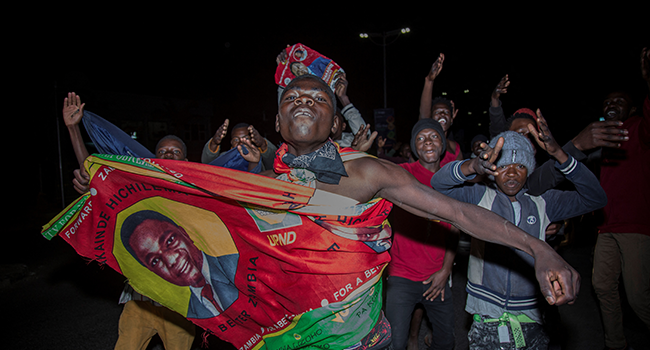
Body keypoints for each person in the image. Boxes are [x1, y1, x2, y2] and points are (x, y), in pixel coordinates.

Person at [262, 74, 582, 346]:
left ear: (335, 123)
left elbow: (460, 213)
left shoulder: (367, 173)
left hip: (350, 335)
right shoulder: (250, 187)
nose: (303, 101)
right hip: (282, 330)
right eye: (292, 96)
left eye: (318, 97)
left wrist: (538, 248)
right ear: (277, 120)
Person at [431, 113, 607, 349]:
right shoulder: (479, 197)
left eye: (520, 166)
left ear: (530, 169)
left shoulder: (544, 202)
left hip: (531, 312)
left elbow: (596, 198)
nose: (512, 173)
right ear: (492, 168)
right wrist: (473, 165)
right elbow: (438, 184)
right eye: (503, 166)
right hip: (486, 313)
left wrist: (560, 155)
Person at [62, 93, 198, 349]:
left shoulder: (194, 196)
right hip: (140, 300)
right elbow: (96, 178)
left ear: (186, 161)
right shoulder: (139, 189)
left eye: (175, 152)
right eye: (162, 152)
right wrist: (73, 130)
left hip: (178, 303)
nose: (168, 155)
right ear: (152, 158)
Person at [592, 47, 650, 350]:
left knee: (639, 297)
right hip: (607, 226)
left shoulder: (639, 129)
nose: (611, 104)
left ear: (633, 108)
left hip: (636, 226)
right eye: (607, 102)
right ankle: (615, 343)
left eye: (619, 101)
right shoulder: (605, 136)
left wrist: (648, 82)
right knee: (602, 285)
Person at [385, 119, 458, 350]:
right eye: (421, 138)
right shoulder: (403, 174)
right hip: (402, 277)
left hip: (436, 278)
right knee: (394, 343)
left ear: (442, 143)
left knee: (446, 342)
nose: (428, 142)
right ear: (415, 147)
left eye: (434, 136)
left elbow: (455, 229)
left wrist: (446, 270)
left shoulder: (452, 181)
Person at [120, 210, 240, 319]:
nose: (171, 260)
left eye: (170, 241)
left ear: (184, 233)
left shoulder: (239, 267)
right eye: (155, 261)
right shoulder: (190, 314)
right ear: (151, 270)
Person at [418, 53, 464, 167]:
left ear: (452, 118)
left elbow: (463, 175)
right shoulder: (425, 142)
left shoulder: (454, 147)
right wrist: (429, 81)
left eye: (446, 112)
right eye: (437, 112)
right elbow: (423, 115)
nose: (442, 114)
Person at [201, 119, 275, 170]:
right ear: (231, 142)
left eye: (245, 138)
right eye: (236, 139)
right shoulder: (225, 157)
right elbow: (206, 164)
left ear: (253, 140)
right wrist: (214, 143)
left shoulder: (260, 159)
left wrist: (263, 144)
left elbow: (275, 163)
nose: (240, 143)